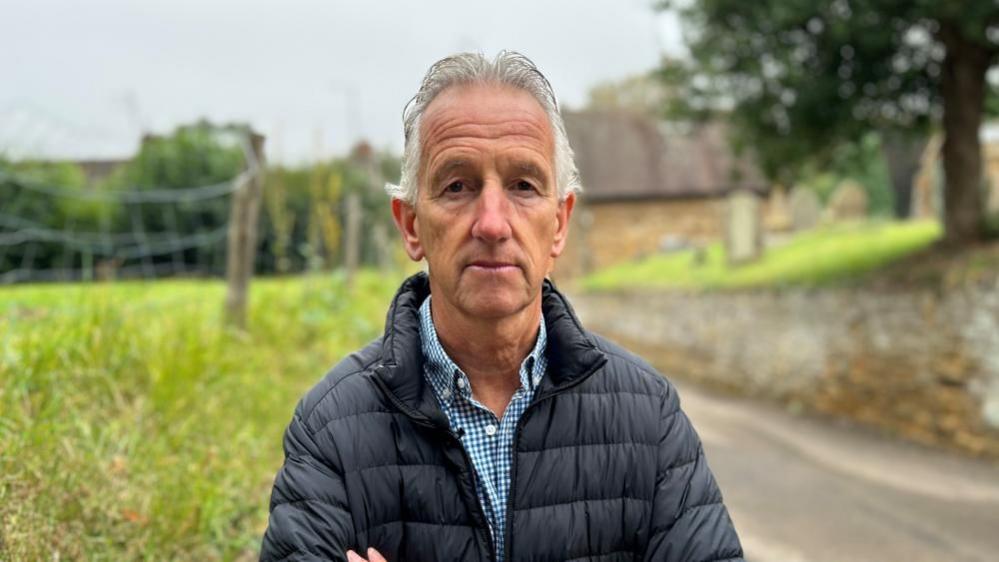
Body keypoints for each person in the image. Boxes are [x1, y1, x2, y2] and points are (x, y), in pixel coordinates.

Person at [260, 51, 743, 562]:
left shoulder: (648, 417)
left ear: (559, 223)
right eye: (457, 186)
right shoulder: (332, 427)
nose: (492, 223)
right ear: (410, 225)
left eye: (523, 186)